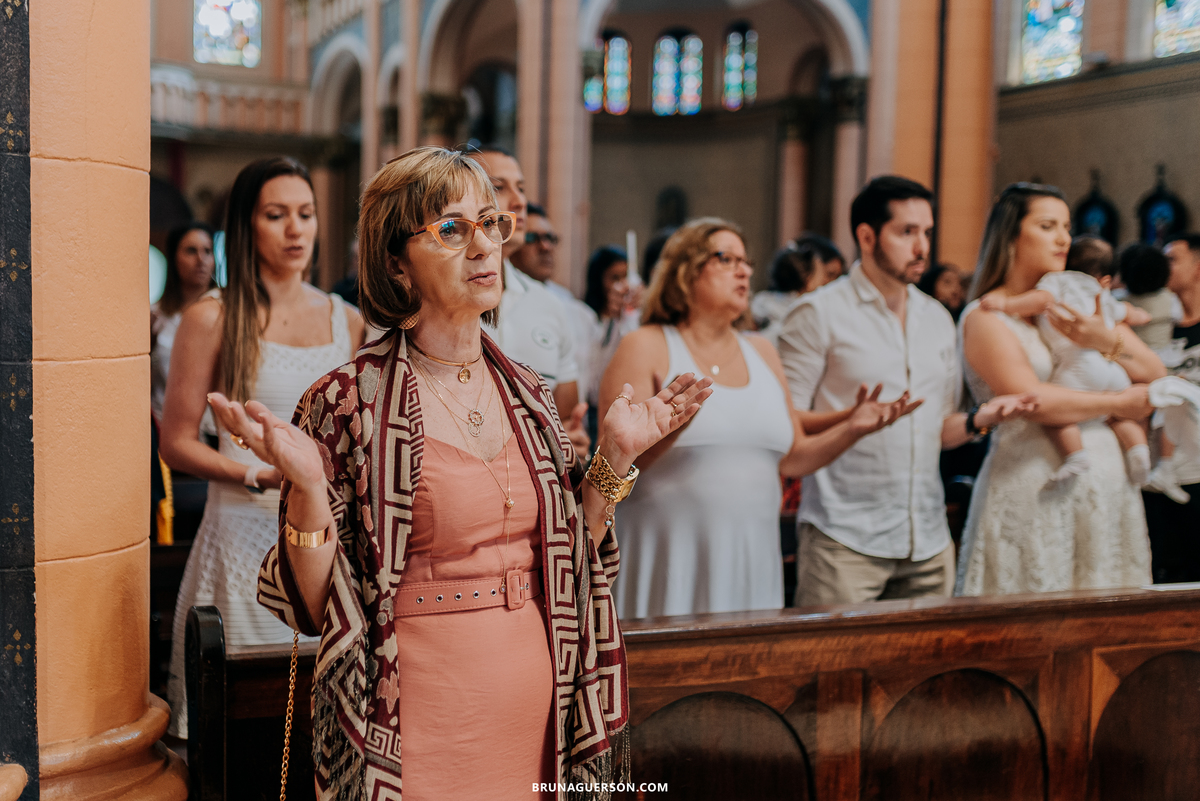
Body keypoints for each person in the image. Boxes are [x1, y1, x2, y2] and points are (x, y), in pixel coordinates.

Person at [211, 147, 713, 798]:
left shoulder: (529, 394)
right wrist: (307, 487)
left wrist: (614, 459)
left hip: (539, 708)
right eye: (451, 229)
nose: (482, 246)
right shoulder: (347, 401)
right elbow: (314, 607)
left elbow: (573, 560)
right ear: (396, 261)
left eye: (491, 223)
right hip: (419, 711)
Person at [601, 217, 924, 618]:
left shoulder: (762, 351)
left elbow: (794, 456)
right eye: (726, 258)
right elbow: (609, 467)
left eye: (746, 261)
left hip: (751, 558)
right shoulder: (645, 344)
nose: (745, 270)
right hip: (669, 554)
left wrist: (852, 428)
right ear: (684, 271)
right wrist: (668, 432)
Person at [160, 156, 365, 737]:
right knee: (237, 730)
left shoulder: (344, 320)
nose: (296, 229)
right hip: (239, 536)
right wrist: (256, 476)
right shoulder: (213, 316)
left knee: (312, 726)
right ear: (247, 226)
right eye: (277, 215)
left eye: (306, 214)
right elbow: (176, 442)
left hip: (319, 540)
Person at [778, 176, 1038, 607]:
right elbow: (786, 428)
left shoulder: (937, 317)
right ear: (866, 236)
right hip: (844, 539)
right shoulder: (818, 314)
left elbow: (938, 427)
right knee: (835, 672)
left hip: (928, 541)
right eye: (907, 232)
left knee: (924, 674)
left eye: (927, 233)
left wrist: (981, 419)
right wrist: (850, 424)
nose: (922, 247)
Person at [956, 183, 1161, 596]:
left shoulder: (1083, 298)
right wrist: (1120, 402)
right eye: (1048, 226)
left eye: (1066, 227)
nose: (1064, 238)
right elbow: (1034, 401)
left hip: (1107, 491)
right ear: (1011, 237)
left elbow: (1154, 372)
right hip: (1033, 487)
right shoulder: (987, 316)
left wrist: (1102, 340)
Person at [978, 235, 1153, 487]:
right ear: (1105, 279)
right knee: (1119, 415)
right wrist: (1143, 315)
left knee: (1060, 413)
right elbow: (1129, 312)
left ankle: (1075, 456)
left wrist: (1006, 303)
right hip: (1110, 368)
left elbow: (1041, 300)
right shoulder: (1102, 293)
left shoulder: (1057, 280)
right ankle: (1139, 451)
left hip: (1077, 366)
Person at [464, 146, 583, 423]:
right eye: (499, 187)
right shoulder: (434, 298)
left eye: (521, 188)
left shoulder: (549, 305)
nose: (519, 202)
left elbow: (566, 421)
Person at [1141, 233, 1200, 582]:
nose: (1164, 266)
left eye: (1173, 259)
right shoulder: (1153, 327)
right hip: (1154, 475)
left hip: (1197, 470)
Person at [512, 202, 597, 434]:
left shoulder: (569, 308)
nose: (546, 247)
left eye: (550, 238)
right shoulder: (489, 302)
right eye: (533, 238)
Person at [152, 221, 216, 420]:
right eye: (191, 251)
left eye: (207, 251)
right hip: (163, 423)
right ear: (173, 258)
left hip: (214, 427)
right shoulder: (156, 317)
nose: (201, 259)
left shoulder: (227, 313)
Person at [583, 245, 638, 431]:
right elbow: (593, 380)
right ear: (598, 280)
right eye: (615, 278)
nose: (622, 285)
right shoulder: (586, 319)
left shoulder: (633, 318)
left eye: (625, 277)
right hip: (595, 411)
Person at [752, 242, 829, 346]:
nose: (824, 281)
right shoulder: (808, 312)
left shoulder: (761, 300)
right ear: (808, 280)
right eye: (821, 275)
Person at [1120, 241, 1176, 352]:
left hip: (1129, 357)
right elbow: (1179, 318)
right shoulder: (1170, 299)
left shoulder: (1119, 300)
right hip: (1163, 356)